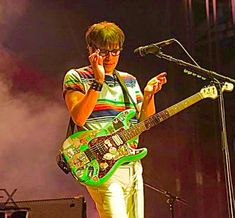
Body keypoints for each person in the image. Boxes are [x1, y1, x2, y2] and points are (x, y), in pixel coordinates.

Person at [63, 21, 167, 218]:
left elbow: (143, 124)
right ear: (91, 50)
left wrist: (149, 96)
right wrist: (98, 81)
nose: (110, 57)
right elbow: (79, 117)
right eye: (103, 52)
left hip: (131, 162)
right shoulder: (77, 76)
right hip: (101, 164)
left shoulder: (129, 80)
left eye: (115, 52)